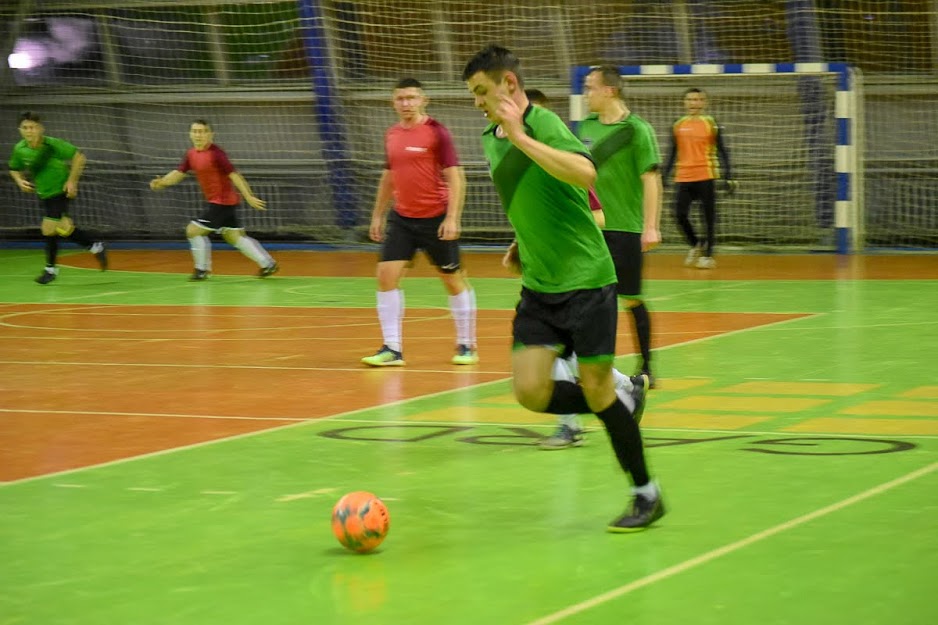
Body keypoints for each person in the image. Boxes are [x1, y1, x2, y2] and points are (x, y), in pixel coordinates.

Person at [463, 45, 664, 531]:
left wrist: (520, 134)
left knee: (595, 389)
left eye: (481, 92)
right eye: (472, 94)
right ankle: (623, 402)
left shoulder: (545, 124)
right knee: (529, 391)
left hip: (587, 281)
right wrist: (522, 241)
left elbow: (583, 173)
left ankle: (645, 492)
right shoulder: (491, 137)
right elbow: (534, 196)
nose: (476, 102)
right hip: (540, 285)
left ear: (509, 83)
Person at [520, 88, 637, 450]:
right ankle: (625, 389)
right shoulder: (522, 171)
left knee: (566, 358)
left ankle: (579, 421)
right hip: (543, 275)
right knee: (561, 358)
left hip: (578, 275)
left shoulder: (566, 168)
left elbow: (599, 215)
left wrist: (562, 230)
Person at [361, 78, 477, 367]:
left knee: (451, 280)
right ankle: (392, 348)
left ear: (424, 100)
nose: (406, 104)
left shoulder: (437, 133)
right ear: (393, 103)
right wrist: (377, 215)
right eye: (401, 99)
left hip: (436, 218)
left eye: (412, 98)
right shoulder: (391, 134)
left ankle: (466, 344)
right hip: (402, 219)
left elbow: (455, 177)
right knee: (386, 276)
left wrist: (452, 217)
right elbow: (389, 177)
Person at [578, 65, 662, 390]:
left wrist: (651, 226)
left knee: (630, 298)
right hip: (590, 227)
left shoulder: (636, 130)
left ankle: (647, 364)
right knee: (592, 298)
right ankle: (598, 366)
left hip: (625, 228)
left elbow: (651, 179)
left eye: (590, 87)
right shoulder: (583, 128)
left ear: (608, 90)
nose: (586, 93)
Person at [149, 119, 278, 281]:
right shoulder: (191, 154)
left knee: (193, 231)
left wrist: (249, 196)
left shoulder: (217, 154)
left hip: (222, 202)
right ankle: (267, 264)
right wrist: (162, 182)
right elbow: (178, 173)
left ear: (210, 134)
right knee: (234, 237)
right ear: (190, 134)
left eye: (202, 131)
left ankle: (201, 270)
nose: (198, 135)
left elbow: (234, 175)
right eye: (195, 131)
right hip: (223, 203)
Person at [8, 111, 107, 285]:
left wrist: (72, 181)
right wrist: (19, 181)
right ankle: (95, 246)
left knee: (47, 228)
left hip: (61, 192)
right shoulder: (19, 149)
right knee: (63, 228)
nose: (29, 131)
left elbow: (79, 157)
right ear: (20, 130)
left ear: (40, 129)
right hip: (44, 194)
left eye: (32, 127)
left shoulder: (53, 145)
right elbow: (14, 167)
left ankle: (50, 269)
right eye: (25, 127)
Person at [661, 87, 737, 269]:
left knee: (708, 217)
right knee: (678, 214)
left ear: (704, 103)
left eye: (698, 100)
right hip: (683, 177)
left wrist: (729, 175)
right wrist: (664, 175)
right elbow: (672, 152)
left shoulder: (711, 123)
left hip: (706, 175)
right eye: (690, 99)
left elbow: (723, 150)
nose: (694, 103)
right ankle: (696, 244)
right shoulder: (677, 125)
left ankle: (708, 256)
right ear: (684, 103)